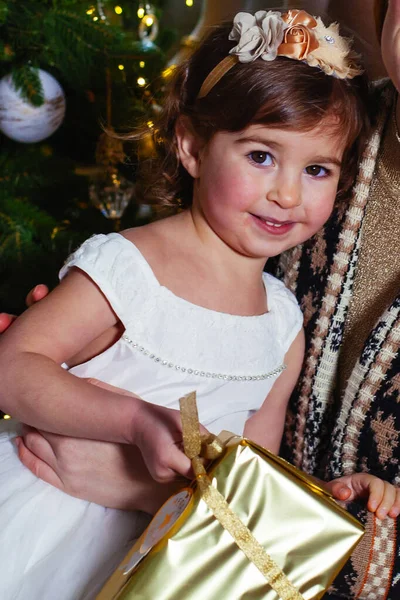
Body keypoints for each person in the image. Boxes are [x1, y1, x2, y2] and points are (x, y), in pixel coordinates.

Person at [0, 7, 392, 600]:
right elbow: (11, 366)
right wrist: (135, 422)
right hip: (49, 522)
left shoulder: (284, 323)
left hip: (171, 560)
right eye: (261, 156)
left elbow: (251, 474)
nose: (287, 194)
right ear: (190, 146)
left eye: (316, 169)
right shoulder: (128, 266)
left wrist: (331, 493)